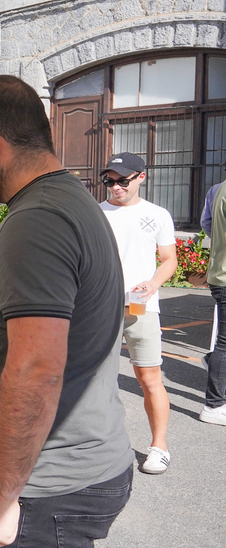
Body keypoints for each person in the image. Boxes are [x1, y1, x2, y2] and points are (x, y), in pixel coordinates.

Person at [0, 75, 133, 548]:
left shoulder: (37, 222)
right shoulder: (68, 200)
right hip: (68, 470)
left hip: (45, 486)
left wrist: (2, 498)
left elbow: (36, 369)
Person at [99, 152, 176, 474]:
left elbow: (169, 260)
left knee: (149, 378)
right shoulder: (96, 213)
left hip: (141, 306)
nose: (115, 187)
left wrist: (154, 283)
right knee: (96, 380)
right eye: (109, 181)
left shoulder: (157, 215)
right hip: (100, 307)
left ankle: (159, 447)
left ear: (141, 177)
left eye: (123, 181)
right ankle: (99, 448)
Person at [201, 177, 226, 426]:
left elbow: (207, 224)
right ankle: (214, 404)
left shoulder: (217, 189)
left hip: (220, 272)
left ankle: (214, 364)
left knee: (223, 343)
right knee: (225, 344)